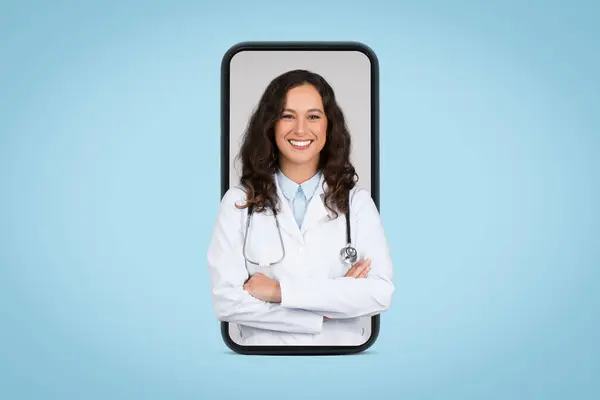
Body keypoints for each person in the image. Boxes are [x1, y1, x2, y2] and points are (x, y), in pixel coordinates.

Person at [207, 69, 394, 346]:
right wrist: (325, 313)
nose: (300, 129)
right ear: (270, 124)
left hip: (343, 364)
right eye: (287, 116)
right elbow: (226, 302)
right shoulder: (238, 203)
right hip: (259, 363)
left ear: (328, 126)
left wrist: (278, 292)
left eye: (314, 116)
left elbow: (379, 293)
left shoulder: (357, 204)